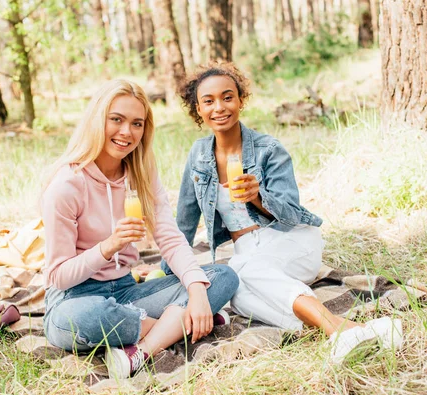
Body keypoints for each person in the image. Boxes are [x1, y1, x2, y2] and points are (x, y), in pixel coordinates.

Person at [163, 62, 402, 363]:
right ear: (198, 109)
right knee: (236, 295)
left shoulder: (268, 149)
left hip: (290, 240)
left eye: (227, 97)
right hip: (247, 251)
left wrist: (259, 197)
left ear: (240, 100)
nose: (219, 107)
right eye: (208, 101)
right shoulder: (198, 155)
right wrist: (165, 272)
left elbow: (291, 212)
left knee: (246, 274)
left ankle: (338, 330)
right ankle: (366, 331)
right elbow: (183, 222)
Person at [40, 79, 239, 379]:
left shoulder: (141, 171)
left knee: (222, 276)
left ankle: (141, 351)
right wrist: (107, 247)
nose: (126, 132)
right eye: (116, 120)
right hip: (73, 299)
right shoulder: (67, 185)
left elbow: (170, 239)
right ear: (97, 120)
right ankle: (184, 324)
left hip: (126, 291)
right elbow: (58, 276)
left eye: (137, 123)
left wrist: (197, 291)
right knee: (90, 317)